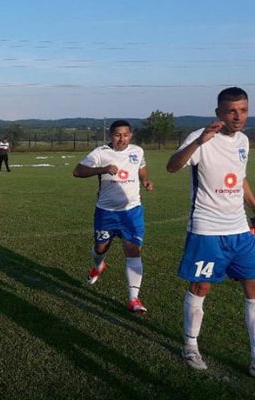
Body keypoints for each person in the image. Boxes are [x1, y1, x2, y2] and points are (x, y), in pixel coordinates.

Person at [166, 87, 255, 376]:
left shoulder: (243, 141)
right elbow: (172, 167)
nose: (238, 116)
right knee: (200, 287)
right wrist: (198, 142)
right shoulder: (200, 137)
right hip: (207, 229)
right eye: (231, 111)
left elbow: (240, 180)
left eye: (243, 110)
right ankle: (190, 346)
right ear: (218, 113)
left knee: (252, 289)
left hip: (240, 230)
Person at [72, 119, 153, 314]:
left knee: (133, 250)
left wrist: (145, 180)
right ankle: (98, 266)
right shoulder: (100, 153)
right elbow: (77, 171)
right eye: (117, 135)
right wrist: (102, 169)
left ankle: (133, 299)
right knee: (100, 249)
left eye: (125, 135)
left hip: (132, 211)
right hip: (106, 212)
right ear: (111, 136)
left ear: (130, 135)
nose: (121, 139)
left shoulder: (137, 151)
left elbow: (141, 167)